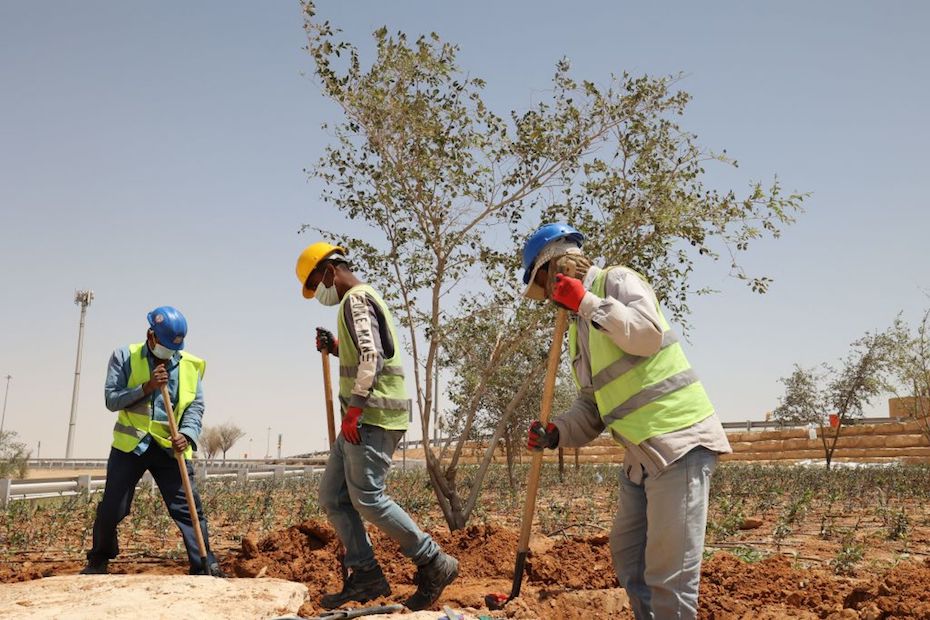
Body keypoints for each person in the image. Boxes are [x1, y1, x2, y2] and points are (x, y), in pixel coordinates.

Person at [521, 223, 731, 620]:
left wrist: (587, 302)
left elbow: (647, 335)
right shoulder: (579, 331)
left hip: (678, 441)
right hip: (640, 456)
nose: (549, 297)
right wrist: (556, 433)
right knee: (630, 558)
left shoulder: (616, 281)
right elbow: (593, 406)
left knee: (669, 577)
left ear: (559, 264)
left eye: (545, 283)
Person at [295, 241, 459, 611]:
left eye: (315, 284)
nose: (319, 293)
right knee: (334, 496)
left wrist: (354, 411)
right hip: (363, 417)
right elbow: (368, 349)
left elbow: (372, 357)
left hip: (370, 417)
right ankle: (367, 575)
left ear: (328, 271)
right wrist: (337, 347)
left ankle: (434, 561)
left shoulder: (355, 299)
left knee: (368, 497)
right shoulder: (361, 301)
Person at [82, 306, 222, 577]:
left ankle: (205, 562)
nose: (170, 353)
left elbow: (195, 407)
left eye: (175, 348)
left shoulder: (190, 364)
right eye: (166, 346)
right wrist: (146, 388)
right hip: (131, 446)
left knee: (188, 507)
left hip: (171, 448)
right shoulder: (124, 356)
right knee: (113, 507)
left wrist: (188, 435)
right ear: (151, 336)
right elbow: (112, 399)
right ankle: (99, 558)